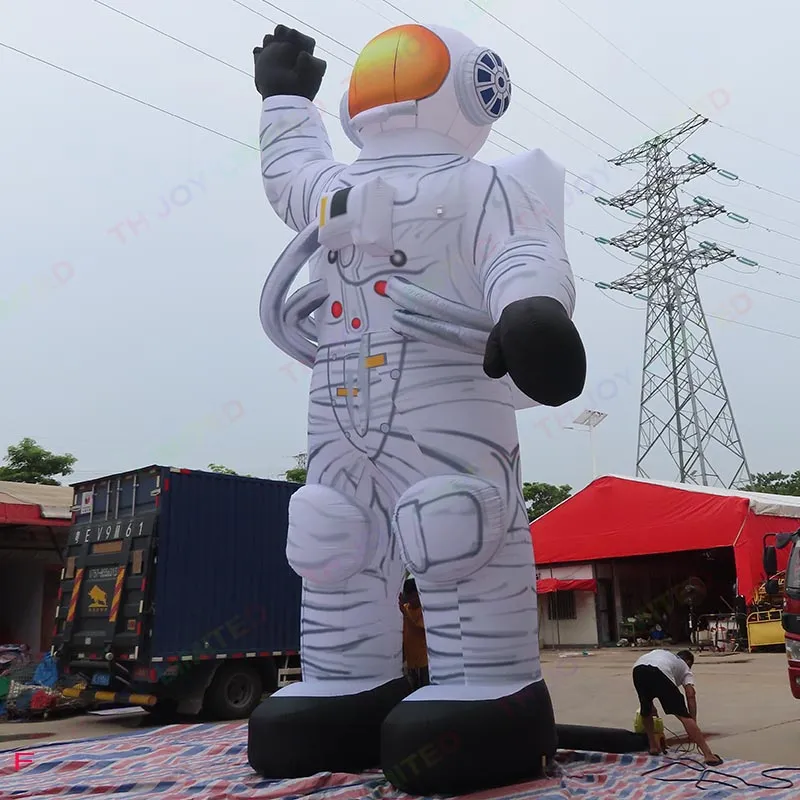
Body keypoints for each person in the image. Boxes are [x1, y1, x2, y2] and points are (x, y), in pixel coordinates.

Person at [632, 649, 722, 765]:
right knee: (683, 716)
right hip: (659, 672)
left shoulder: (665, 655)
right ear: (688, 662)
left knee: (646, 710)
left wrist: (650, 704)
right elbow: (690, 694)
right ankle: (708, 755)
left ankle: (653, 746)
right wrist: (692, 720)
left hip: (638, 669)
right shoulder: (685, 668)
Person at [399, 578, 429, 689]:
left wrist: (405, 613)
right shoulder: (406, 608)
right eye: (411, 596)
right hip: (411, 662)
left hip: (423, 662)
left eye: (416, 596)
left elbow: (419, 629)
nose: (414, 599)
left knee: (424, 689)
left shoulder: (423, 610)